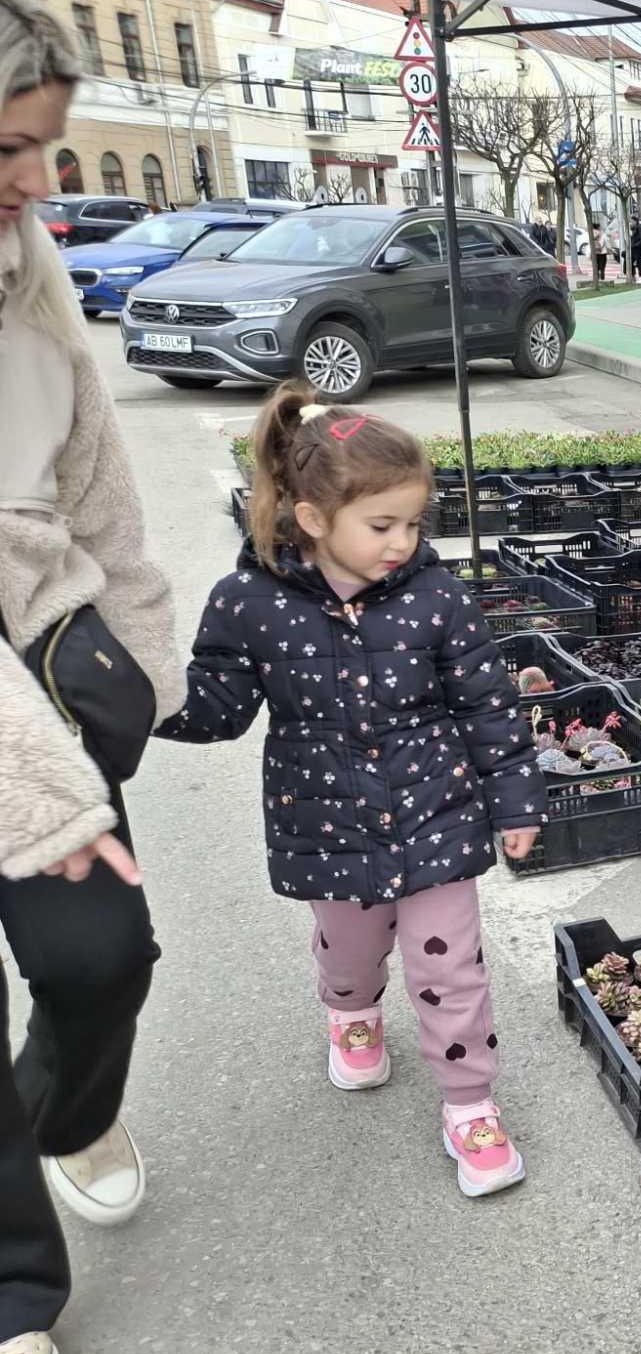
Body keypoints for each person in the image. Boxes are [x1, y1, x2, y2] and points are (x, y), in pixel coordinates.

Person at [154, 383, 548, 1197]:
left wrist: (515, 800)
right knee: (350, 951)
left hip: (436, 811)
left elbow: (486, 703)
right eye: (382, 525)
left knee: (451, 967)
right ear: (312, 519)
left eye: (414, 523)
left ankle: (470, 1104)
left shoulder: (436, 596)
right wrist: (138, 698)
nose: (403, 541)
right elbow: (219, 707)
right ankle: (351, 1013)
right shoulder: (249, 602)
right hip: (327, 822)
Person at [0, 0, 187, 1354]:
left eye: (47, 145)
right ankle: (9, 1291)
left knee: (100, 952)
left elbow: (97, 481)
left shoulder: (27, 271)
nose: (38, 180)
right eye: (11, 145)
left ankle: (64, 1113)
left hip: (46, 654)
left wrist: (141, 651)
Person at [629, 211, 641, 280]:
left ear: (635, 221)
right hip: (635, 248)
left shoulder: (639, 228)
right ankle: (633, 275)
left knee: (640, 263)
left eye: (631, 222)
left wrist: (635, 245)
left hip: (639, 249)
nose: (630, 223)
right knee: (631, 261)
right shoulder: (634, 228)